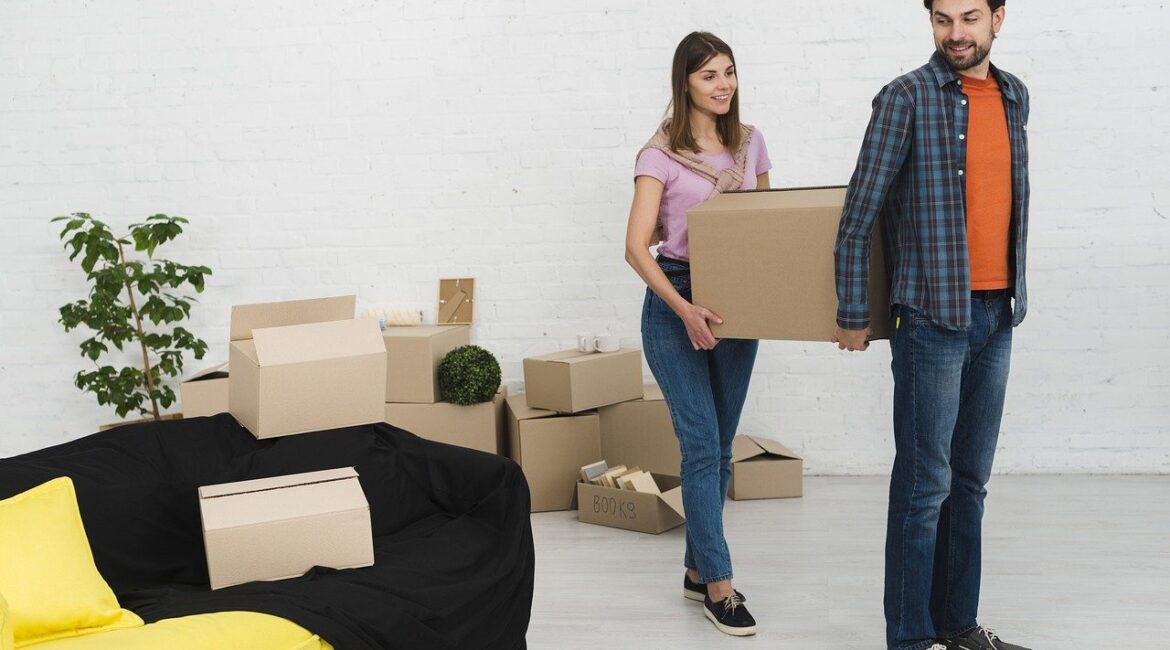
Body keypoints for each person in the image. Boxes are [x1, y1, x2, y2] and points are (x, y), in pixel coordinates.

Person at [832, 1, 1031, 649]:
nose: (956, 33)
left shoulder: (1014, 96)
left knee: (969, 483)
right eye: (943, 19)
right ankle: (910, 639)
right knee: (925, 488)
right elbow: (859, 214)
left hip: (998, 315)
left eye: (970, 17)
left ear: (999, 17)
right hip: (930, 319)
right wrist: (854, 313)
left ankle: (958, 624)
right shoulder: (905, 98)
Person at [624, 31, 771, 637]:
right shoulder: (658, 155)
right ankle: (719, 587)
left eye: (730, 73)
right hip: (674, 305)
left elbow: (768, 228)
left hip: (737, 306)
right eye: (710, 75)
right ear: (684, 82)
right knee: (703, 447)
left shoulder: (751, 144)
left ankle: (694, 569)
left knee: (722, 443)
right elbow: (636, 248)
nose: (724, 85)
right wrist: (684, 308)